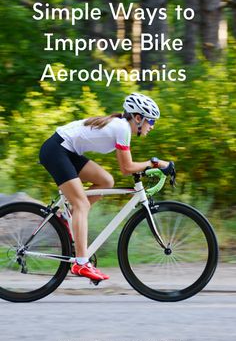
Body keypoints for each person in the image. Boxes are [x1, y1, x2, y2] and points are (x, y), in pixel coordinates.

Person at [39, 92, 174, 281]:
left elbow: (126, 167)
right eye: (150, 121)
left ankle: (65, 216)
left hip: (67, 151)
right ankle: (80, 262)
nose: (152, 126)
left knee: (106, 182)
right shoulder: (123, 128)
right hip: (57, 150)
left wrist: (150, 165)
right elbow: (127, 168)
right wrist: (156, 163)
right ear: (138, 118)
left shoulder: (121, 126)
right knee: (82, 205)